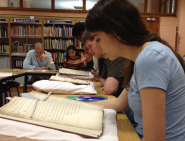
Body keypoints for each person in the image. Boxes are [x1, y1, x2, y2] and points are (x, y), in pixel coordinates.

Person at [86, 0, 185, 141]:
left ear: (116, 32)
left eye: (98, 39)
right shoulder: (140, 57)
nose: (97, 47)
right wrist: (75, 105)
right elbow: (118, 104)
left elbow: (154, 139)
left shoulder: (150, 58)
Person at [82, 30, 125, 97]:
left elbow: (110, 89)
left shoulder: (117, 56)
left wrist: (107, 85)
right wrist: (106, 84)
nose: (90, 51)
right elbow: (102, 78)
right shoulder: (107, 58)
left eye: (90, 46)